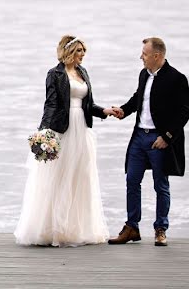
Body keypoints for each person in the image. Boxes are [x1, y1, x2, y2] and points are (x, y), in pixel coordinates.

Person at [14, 35, 119, 246]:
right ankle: (53, 229)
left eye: (83, 51)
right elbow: (50, 104)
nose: (82, 55)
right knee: (59, 177)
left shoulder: (83, 72)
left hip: (82, 128)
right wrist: (44, 132)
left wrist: (104, 111)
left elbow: (88, 104)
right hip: (63, 128)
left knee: (81, 176)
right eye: (79, 51)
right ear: (68, 52)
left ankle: (76, 229)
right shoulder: (55, 74)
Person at [108, 37, 189, 247]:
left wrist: (167, 137)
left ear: (157, 55)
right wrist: (124, 111)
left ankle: (160, 229)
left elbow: (184, 112)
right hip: (138, 137)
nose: (141, 57)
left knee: (160, 185)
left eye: (144, 54)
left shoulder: (177, 78)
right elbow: (139, 98)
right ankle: (132, 228)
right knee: (132, 181)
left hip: (158, 139)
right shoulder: (144, 74)